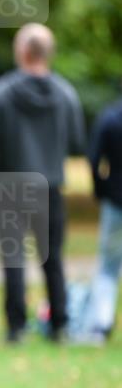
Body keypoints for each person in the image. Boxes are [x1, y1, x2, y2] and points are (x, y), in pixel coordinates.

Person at [0, 23, 86, 343]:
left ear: (22, 52)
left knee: (13, 259)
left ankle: (16, 327)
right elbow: (77, 139)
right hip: (50, 186)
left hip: (9, 186)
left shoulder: (1, 92)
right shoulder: (65, 93)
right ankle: (60, 325)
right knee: (53, 258)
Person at [79, 97, 122, 340]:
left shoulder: (111, 117)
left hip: (116, 199)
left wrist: (100, 189)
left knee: (108, 266)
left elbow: (94, 159)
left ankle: (101, 323)